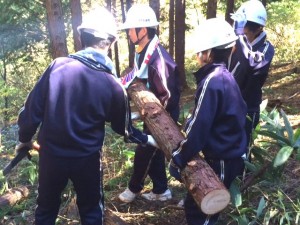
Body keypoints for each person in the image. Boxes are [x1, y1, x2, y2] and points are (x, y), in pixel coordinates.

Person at [15, 8, 155, 225]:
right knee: (91, 212)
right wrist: (146, 139)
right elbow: (123, 127)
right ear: (112, 41)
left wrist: (23, 139)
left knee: (45, 210)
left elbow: (31, 111)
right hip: (87, 161)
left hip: (51, 157)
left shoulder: (57, 67)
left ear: (81, 37)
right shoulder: (112, 84)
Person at [169, 18, 247, 225]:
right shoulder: (224, 77)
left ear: (208, 53)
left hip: (222, 158)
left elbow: (199, 127)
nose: (197, 56)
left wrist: (178, 156)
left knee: (204, 214)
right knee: (194, 206)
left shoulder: (213, 81)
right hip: (226, 155)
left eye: (199, 52)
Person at [118, 4, 181, 203]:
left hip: (163, 115)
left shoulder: (159, 59)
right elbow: (139, 74)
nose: (128, 33)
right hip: (153, 112)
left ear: (142, 30)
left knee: (144, 151)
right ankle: (162, 191)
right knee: (154, 152)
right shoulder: (142, 50)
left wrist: (153, 116)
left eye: (131, 29)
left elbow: (170, 96)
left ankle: (133, 189)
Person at [229, 0, 275, 157]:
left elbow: (252, 65)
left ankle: (243, 180)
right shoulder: (236, 42)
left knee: (242, 152)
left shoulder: (266, 49)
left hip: (248, 108)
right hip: (228, 106)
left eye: (246, 32)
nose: (241, 34)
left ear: (258, 29)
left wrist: (240, 38)